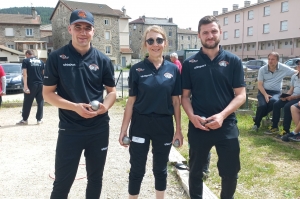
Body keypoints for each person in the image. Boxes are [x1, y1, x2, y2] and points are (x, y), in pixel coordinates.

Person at [43, 9, 116, 199]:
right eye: (78, 27)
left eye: (87, 28)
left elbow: (112, 92)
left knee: (95, 179)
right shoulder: (57, 58)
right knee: (62, 181)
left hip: (98, 129)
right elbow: (48, 94)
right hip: (70, 130)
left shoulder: (103, 60)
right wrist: (74, 107)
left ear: (93, 31)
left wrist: (104, 107)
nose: (83, 32)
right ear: (70, 29)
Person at [181, 15, 246, 199]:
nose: (210, 35)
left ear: (220, 33)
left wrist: (222, 116)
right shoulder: (189, 64)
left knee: (230, 172)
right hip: (199, 125)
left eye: (213, 31)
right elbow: (185, 97)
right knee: (195, 171)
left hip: (226, 125)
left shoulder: (233, 61)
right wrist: (192, 117)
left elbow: (241, 95)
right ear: (199, 35)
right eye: (205, 32)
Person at [119, 25, 182, 199]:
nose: (155, 44)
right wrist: (124, 129)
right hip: (141, 124)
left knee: (160, 167)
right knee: (137, 167)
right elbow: (131, 102)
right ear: (145, 45)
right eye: (151, 40)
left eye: (159, 40)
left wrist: (178, 130)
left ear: (165, 43)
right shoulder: (137, 69)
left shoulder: (173, 69)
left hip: (163, 125)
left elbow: (176, 102)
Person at [251, 52, 296, 132]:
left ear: (278, 60)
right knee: (262, 106)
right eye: (269, 59)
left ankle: (259, 116)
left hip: (276, 92)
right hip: (263, 91)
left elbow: (296, 72)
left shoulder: (283, 68)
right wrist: (265, 95)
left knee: (274, 102)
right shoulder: (262, 69)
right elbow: (260, 85)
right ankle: (256, 124)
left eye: (273, 59)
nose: (270, 61)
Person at [265, 60, 300, 138]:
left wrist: (293, 97)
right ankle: (274, 126)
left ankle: (286, 130)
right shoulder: (295, 76)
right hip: (293, 96)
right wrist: (286, 96)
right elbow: (291, 89)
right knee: (277, 104)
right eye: (298, 64)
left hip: (298, 98)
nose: (298, 66)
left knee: (287, 106)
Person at [16, 50, 45, 125]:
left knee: (27, 102)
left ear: (27, 54)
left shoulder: (26, 61)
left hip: (31, 85)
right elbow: (44, 74)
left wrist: (25, 87)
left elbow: (24, 74)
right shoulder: (41, 62)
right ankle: (39, 119)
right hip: (40, 84)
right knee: (40, 102)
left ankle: (25, 119)